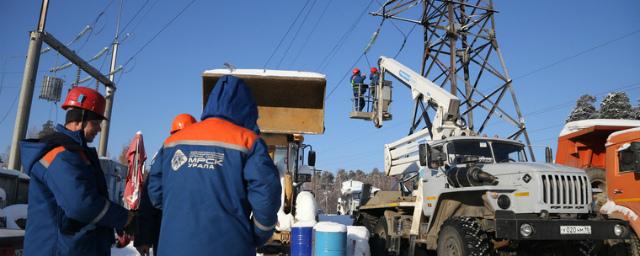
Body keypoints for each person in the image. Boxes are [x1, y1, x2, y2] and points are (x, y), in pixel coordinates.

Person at [147, 75, 281, 255]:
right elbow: (267, 195)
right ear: (247, 109)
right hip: (229, 247)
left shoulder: (172, 142)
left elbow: (155, 192)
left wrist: (182, 215)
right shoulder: (248, 142)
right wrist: (259, 234)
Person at [19, 86, 133, 255]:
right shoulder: (60, 155)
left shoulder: (75, 153)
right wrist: (124, 218)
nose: (99, 129)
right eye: (95, 123)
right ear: (79, 119)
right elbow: (82, 204)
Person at [134, 113, 197, 256]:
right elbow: (150, 197)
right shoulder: (195, 157)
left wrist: (143, 237)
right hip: (186, 231)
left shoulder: (164, 153)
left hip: (165, 230)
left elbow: (149, 197)